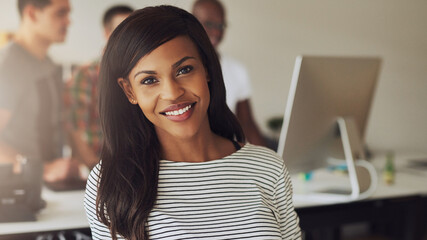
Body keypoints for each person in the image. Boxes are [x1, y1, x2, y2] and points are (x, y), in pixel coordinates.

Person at [84, 5, 301, 240]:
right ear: (129, 91)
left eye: (184, 70)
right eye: (149, 80)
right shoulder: (113, 182)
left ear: (206, 68)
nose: (172, 93)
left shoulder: (268, 168)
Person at [0, 0, 77, 183]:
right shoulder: (8, 66)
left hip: (48, 187)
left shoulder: (49, 64)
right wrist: (44, 169)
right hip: (17, 188)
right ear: (32, 14)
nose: (69, 21)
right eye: (60, 13)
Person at [65, 5, 133, 170]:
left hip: (133, 169)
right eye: (120, 30)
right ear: (107, 33)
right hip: (97, 171)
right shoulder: (86, 74)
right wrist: (98, 172)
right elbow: (76, 130)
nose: (128, 37)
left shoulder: (139, 73)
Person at [192, 0, 267, 147]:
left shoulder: (238, 70)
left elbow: (247, 124)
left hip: (226, 150)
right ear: (192, 22)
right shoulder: (181, 68)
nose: (217, 32)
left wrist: (273, 161)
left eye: (221, 26)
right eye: (209, 24)